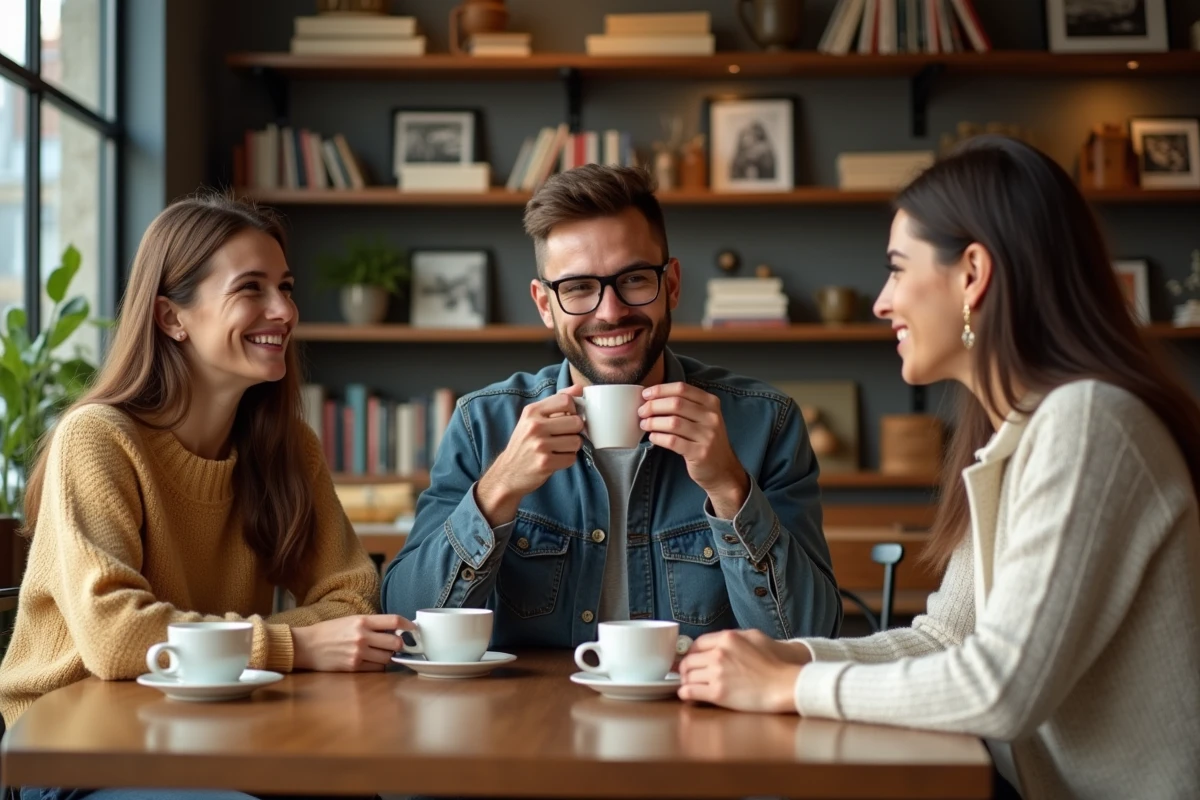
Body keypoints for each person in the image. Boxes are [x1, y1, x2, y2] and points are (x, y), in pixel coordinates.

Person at [676, 136, 1200, 799]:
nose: (881, 302)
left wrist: (789, 685)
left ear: (973, 273)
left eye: (898, 269)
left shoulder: (1089, 423)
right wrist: (790, 655)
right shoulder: (1022, 433)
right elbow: (947, 637)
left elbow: (1000, 687)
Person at [0, 194, 413, 800]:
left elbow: (351, 597)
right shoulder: (98, 439)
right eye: (251, 289)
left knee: (354, 792)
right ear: (172, 317)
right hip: (80, 750)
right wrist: (293, 643)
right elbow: (117, 637)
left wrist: (253, 647)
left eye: (286, 287)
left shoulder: (288, 447)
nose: (284, 310)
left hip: (215, 732)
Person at [383, 165, 840, 648]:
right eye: (578, 287)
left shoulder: (767, 424)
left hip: (698, 698)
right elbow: (406, 626)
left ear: (672, 284)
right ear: (545, 304)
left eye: (634, 279)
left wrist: (730, 488)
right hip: (533, 701)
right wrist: (497, 491)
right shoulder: (482, 425)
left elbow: (812, 641)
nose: (611, 311)